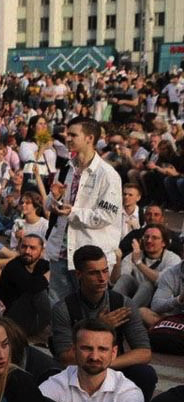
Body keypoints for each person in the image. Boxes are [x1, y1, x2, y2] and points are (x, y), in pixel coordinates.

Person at [50, 245, 157, 402]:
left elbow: (144, 352)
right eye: (94, 273)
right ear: (79, 274)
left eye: (105, 270)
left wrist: (106, 363)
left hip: (114, 366)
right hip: (77, 372)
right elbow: (66, 358)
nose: (102, 278)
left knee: (145, 374)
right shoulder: (63, 308)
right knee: (51, 375)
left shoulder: (122, 304)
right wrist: (98, 326)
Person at [44, 117, 123, 305]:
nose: (67, 138)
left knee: (90, 311)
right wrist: (54, 198)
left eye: (73, 134)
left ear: (89, 138)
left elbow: (107, 215)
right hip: (60, 251)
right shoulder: (66, 168)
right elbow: (49, 206)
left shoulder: (108, 175)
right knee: (59, 307)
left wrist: (72, 212)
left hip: (89, 256)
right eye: (67, 134)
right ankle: (61, 335)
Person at [40, 318, 144, 402]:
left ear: (114, 353)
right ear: (74, 350)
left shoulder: (127, 392)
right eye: (87, 348)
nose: (94, 357)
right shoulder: (57, 383)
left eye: (102, 349)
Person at [0, 234, 52, 340]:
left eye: (32, 248)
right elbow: (32, 287)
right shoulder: (13, 266)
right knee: (38, 291)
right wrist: (50, 275)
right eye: (24, 247)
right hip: (11, 320)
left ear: (42, 251)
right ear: (18, 248)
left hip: (32, 319)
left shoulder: (44, 265)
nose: (27, 251)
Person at [112, 225, 179, 310]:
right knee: (125, 279)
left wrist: (138, 263)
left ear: (164, 242)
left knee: (147, 285)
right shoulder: (135, 254)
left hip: (158, 300)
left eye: (154, 238)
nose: (149, 240)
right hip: (134, 294)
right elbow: (118, 280)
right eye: (146, 237)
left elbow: (162, 280)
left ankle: (128, 314)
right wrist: (117, 262)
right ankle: (111, 309)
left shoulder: (173, 258)